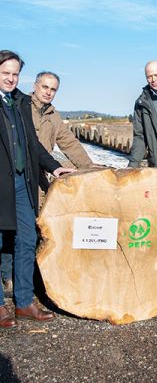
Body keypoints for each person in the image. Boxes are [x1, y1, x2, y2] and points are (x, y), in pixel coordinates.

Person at [0, 50, 74, 328]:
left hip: (22, 182)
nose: (10, 78)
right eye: (5, 72)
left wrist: (55, 167)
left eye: (14, 73)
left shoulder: (18, 102)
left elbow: (33, 144)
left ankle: (23, 302)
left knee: (27, 239)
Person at [0, 71, 94, 292]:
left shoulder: (53, 115)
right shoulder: (22, 106)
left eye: (53, 89)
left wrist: (89, 168)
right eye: (45, 87)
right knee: (9, 228)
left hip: (40, 176)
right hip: (16, 175)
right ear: (35, 86)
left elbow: (68, 142)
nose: (48, 92)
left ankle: (32, 276)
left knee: (36, 228)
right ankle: (7, 276)